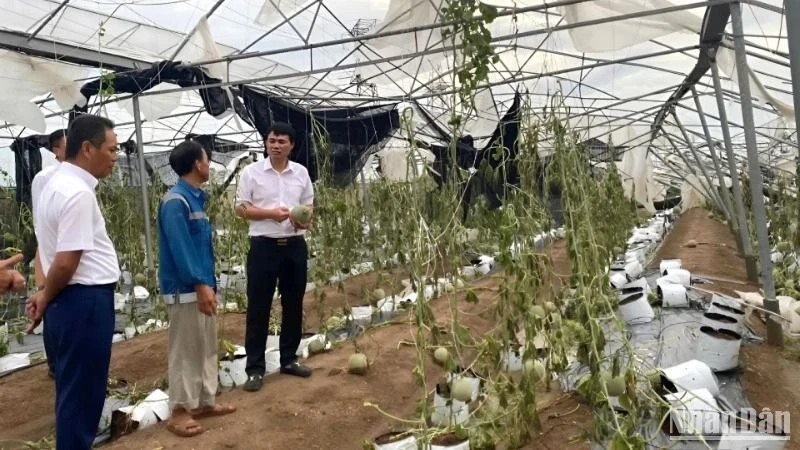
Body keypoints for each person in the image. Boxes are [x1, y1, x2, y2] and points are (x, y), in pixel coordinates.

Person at [25, 114, 121, 450]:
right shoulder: (77, 193)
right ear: (87, 148)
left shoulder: (51, 185)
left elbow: (47, 252)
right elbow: (66, 262)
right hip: (84, 301)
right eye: (111, 149)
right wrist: (47, 295)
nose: (115, 155)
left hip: (66, 302)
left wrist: (44, 296)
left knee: (72, 392)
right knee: (84, 396)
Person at [158, 140, 236, 437]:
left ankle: (204, 401)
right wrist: (201, 284)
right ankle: (178, 410)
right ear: (196, 165)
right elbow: (181, 249)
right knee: (186, 350)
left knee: (205, 347)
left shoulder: (193, 199)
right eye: (207, 160)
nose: (209, 165)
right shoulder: (176, 202)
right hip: (186, 288)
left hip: (201, 285)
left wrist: (208, 284)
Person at [235, 122, 314, 392]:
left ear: (291, 145)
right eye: (272, 140)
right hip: (264, 247)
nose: (276, 145)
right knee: (259, 306)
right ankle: (255, 369)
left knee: (293, 303)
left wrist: (302, 220)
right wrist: (270, 214)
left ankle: (289, 359)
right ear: (266, 143)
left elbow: (308, 206)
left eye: (281, 141)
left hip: (294, 246)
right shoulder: (252, 173)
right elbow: (241, 209)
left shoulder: (301, 173)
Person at [31, 128, 67, 378]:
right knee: (51, 300)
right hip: (52, 247)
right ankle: (55, 364)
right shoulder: (45, 178)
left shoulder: (80, 175)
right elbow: (39, 218)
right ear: (56, 149)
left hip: (69, 246)